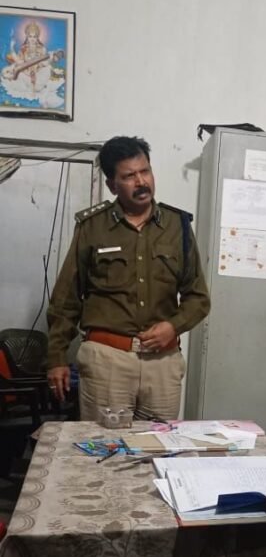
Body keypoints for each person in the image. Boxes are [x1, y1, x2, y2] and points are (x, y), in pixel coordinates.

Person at [47, 135, 210, 421]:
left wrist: (173, 327)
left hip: (162, 363)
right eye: (129, 176)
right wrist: (57, 358)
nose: (141, 182)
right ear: (112, 185)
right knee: (103, 446)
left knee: (159, 444)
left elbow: (198, 298)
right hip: (107, 361)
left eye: (145, 171)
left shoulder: (178, 226)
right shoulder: (92, 227)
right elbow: (66, 300)